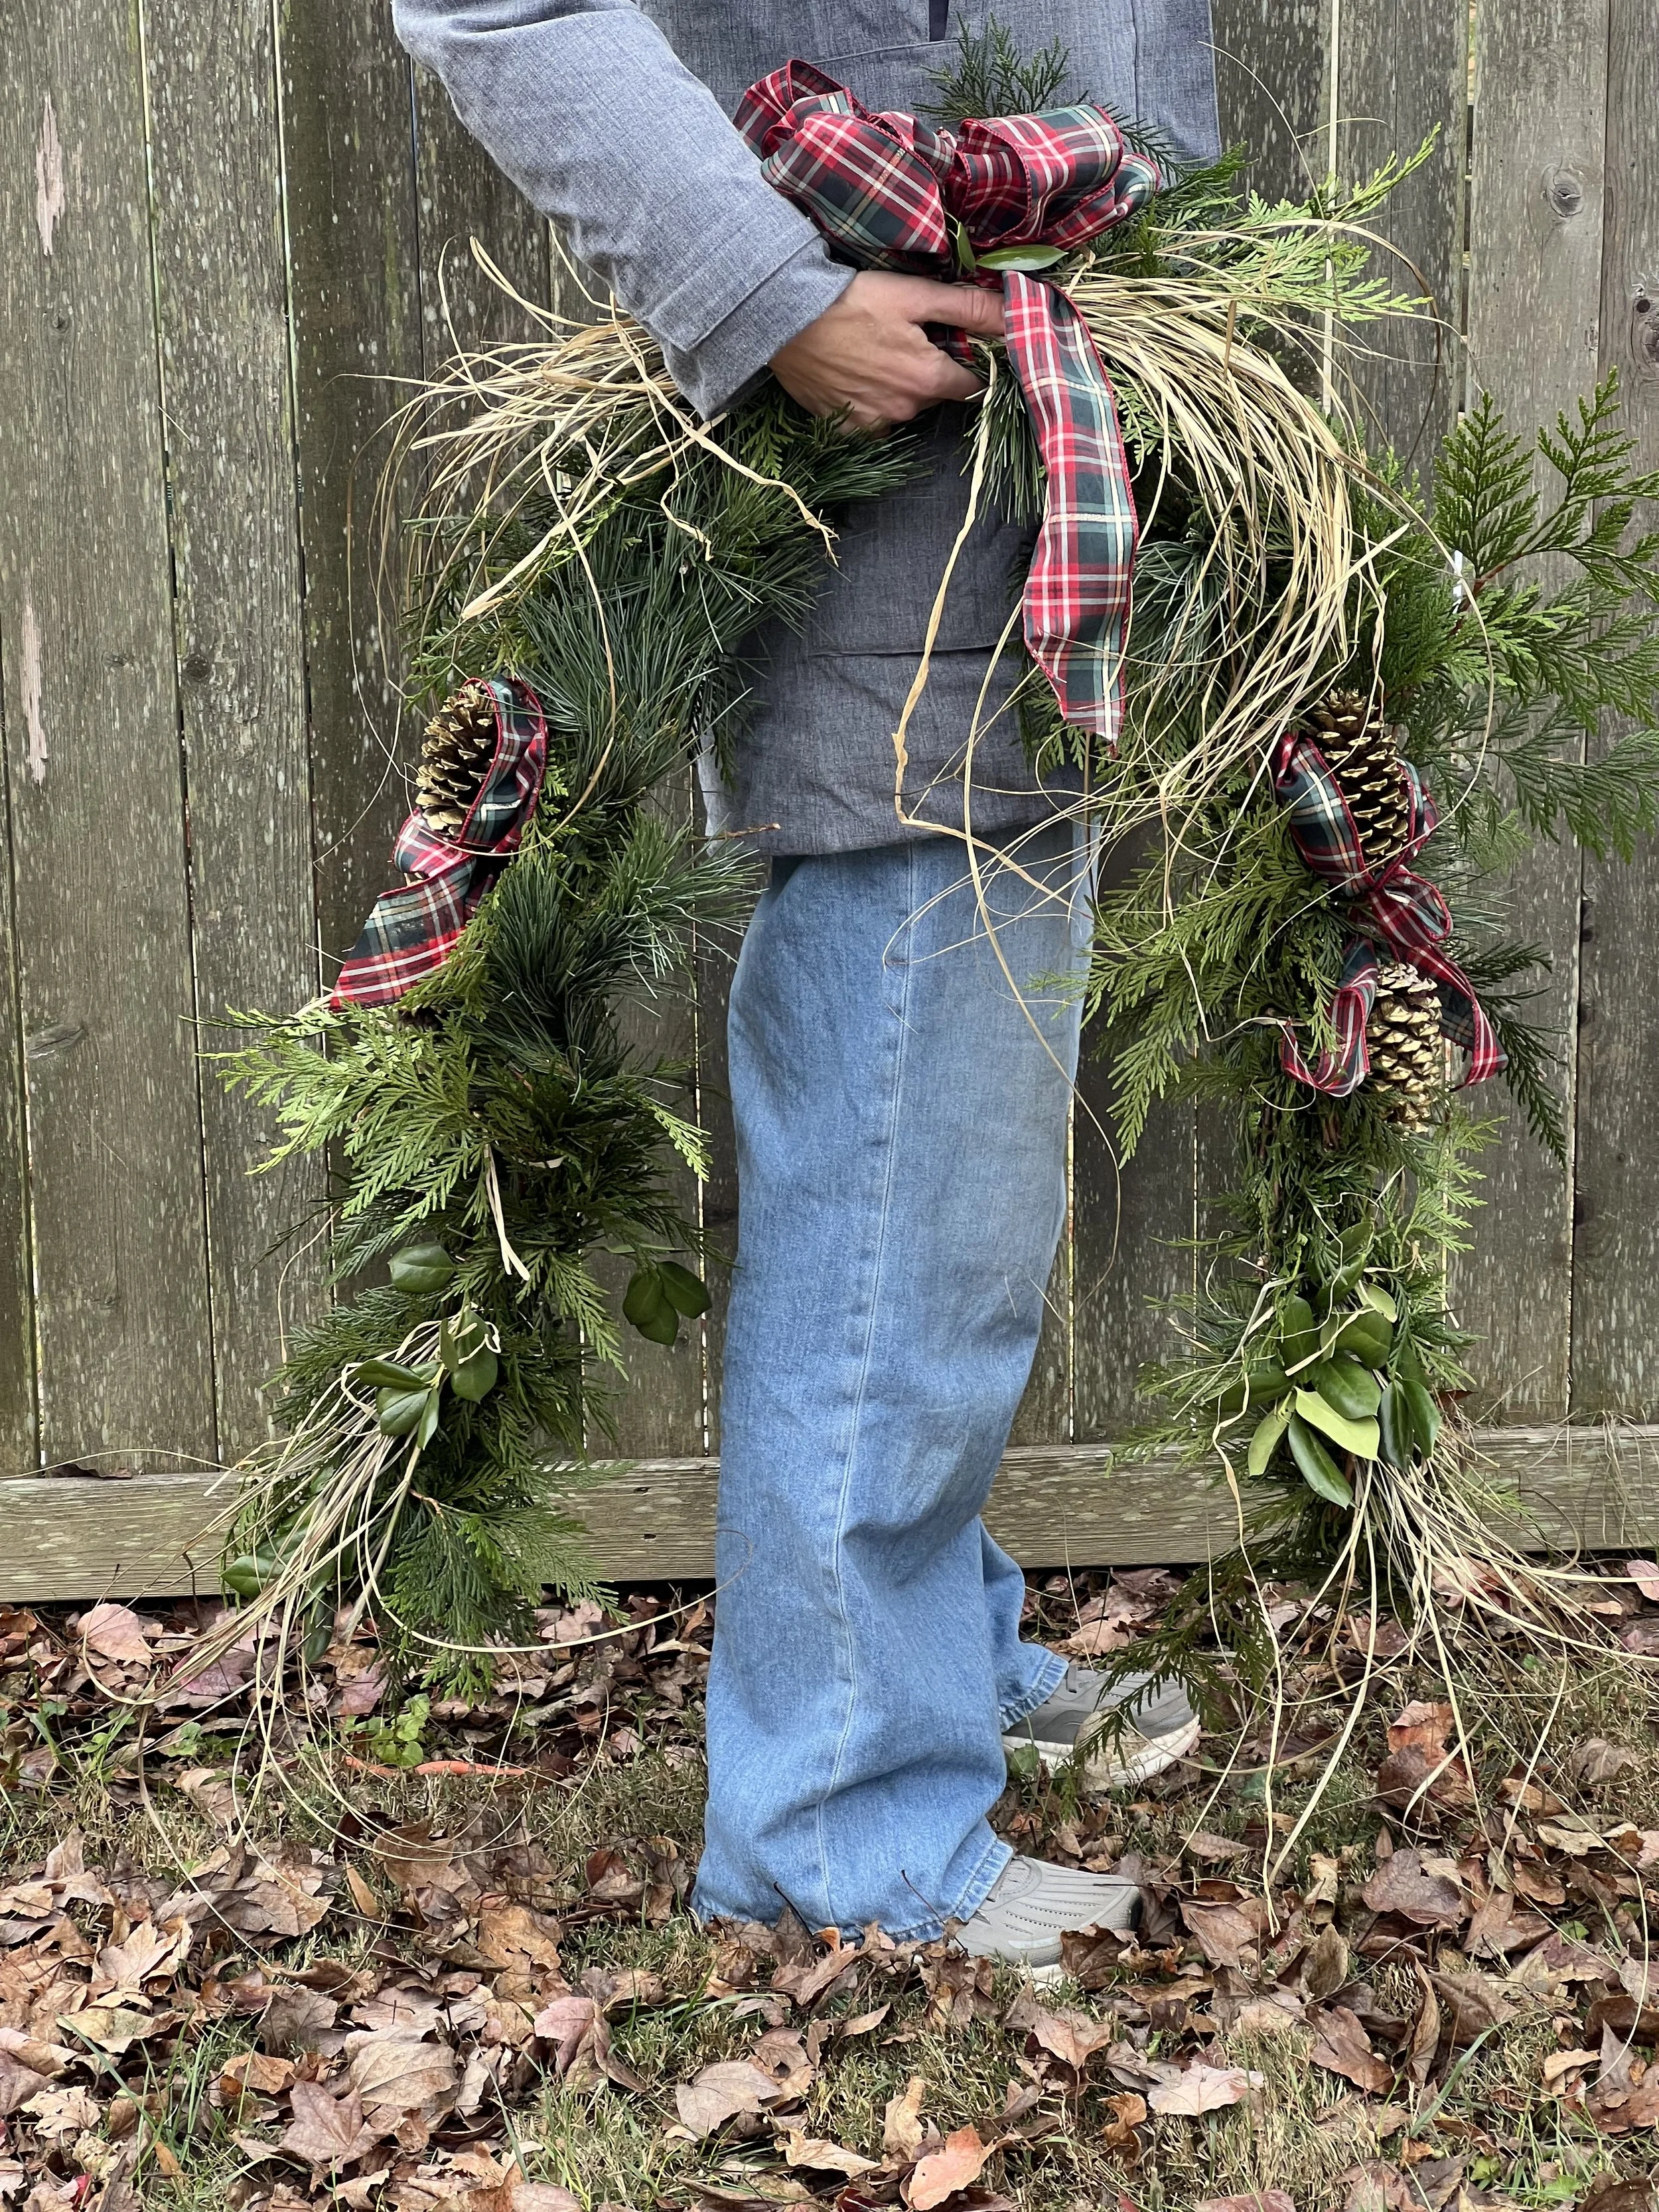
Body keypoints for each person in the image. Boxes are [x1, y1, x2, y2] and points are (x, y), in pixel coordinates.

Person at [393, 0, 1218, 1977]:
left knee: (960, 1174)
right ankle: (842, 1823)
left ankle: (928, 1650)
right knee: (898, 1187)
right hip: (882, 499)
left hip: (1050, 461)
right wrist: (762, 290)